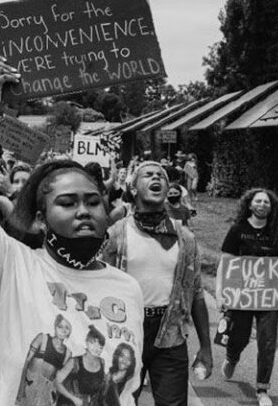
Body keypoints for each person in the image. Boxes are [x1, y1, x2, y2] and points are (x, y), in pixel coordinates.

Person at [0, 56, 144, 406]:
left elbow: (126, 388)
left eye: (93, 201)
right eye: (67, 203)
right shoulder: (11, 267)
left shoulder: (128, 288)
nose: (84, 210)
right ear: (39, 219)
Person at [100, 161, 213, 405]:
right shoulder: (116, 234)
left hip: (170, 334)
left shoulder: (186, 239)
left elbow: (196, 293)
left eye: (161, 176)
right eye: (148, 175)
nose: (156, 178)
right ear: (133, 188)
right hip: (124, 334)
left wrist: (206, 347)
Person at [219, 188, 278, 406]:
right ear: (249, 205)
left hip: (268, 296)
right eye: (258, 201)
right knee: (239, 336)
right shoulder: (237, 230)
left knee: (268, 342)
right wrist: (221, 292)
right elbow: (226, 263)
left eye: (266, 202)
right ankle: (232, 356)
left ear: (272, 207)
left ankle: (262, 390)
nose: (262, 205)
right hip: (241, 295)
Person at [15, 315, 73, 405]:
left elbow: (59, 380)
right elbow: (25, 363)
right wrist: (20, 389)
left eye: (67, 328)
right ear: (55, 326)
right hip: (28, 388)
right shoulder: (42, 339)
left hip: (45, 396)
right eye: (60, 326)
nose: (63, 330)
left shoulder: (67, 353)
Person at [55, 325, 107, 406]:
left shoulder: (102, 362)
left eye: (100, 347)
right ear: (86, 342)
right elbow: (56, 382)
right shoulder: (74, 362)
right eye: (93, 343)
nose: (96, 349)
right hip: (69, 403)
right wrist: (73, 399)